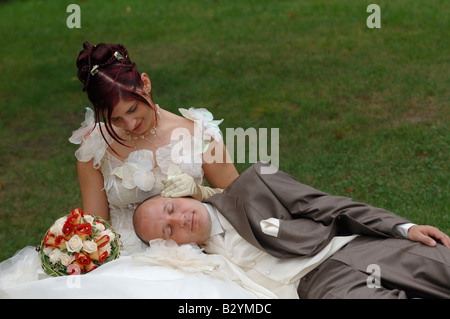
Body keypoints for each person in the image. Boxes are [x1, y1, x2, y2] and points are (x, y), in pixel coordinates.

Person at [133, 162, 450, 299]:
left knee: (440, 264)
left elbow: (329, 206)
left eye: (171, 210)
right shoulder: (197, 271)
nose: (180, 221)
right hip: (319, 288)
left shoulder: (256, 184)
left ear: (178, 195)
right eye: (168, 231)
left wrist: (402, 228)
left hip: (351, 248)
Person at [71, 42, 238, 254]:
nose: (130, 124)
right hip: (123, 260)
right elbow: (95, 227)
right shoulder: (95, 146)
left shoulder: (199, 135)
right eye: (117, 119)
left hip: (191, 255)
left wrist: (201, 192)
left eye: (133, 109)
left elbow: (241, 200)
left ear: (145, 83)